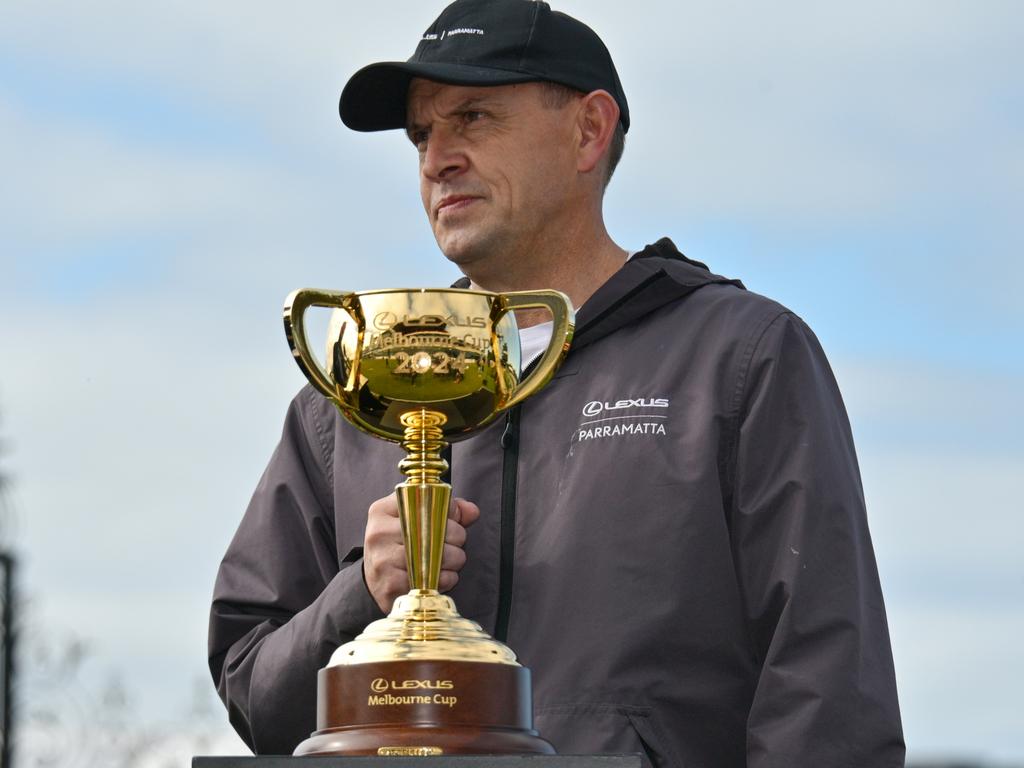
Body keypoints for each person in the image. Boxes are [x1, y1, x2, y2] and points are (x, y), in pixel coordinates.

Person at [208, 1, 906, 765]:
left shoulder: (739, 359)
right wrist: (359, 596)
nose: (437, 158)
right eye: (421, 135)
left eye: (473, 118)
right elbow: (255, 700)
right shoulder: (350, 403)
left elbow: (828, 694)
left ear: (588, 131)